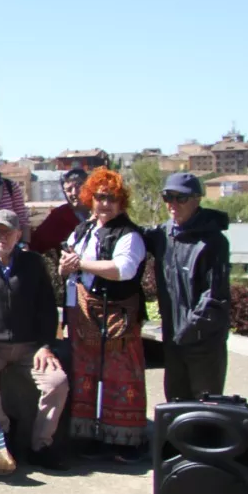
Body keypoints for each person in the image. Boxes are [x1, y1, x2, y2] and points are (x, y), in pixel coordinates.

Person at [0, 209, 71, 470]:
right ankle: (2, 431)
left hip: (30, 348)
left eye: (7, 232)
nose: (2, 236)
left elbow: (47, 308)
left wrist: (45, 346)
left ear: (19, 235)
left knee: (58, 382)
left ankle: (41, 445)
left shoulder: (34, 263)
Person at [59, 169, 149, 461]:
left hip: (118, 319)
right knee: (84, 376)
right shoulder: (82, 230)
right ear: (91, 198)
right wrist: (65, 266)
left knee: (121, 376)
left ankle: (124, 442)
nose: (105, 204)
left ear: (122, 202)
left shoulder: (130, 235)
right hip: (81, 315)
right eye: (100, 197)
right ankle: (86, 437)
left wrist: (81, 264)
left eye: (112, 198)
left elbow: (123, 269)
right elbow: (66, 262)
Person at [145, 172, 231, 402]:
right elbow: (130, 238)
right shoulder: (163, 234)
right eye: (168, 197)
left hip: (204, 344)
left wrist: (188, 331)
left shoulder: (213, 242)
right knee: (176, 407)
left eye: (180, 198)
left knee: (206, 408)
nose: (173, 204)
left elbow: (214, 297)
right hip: (173, 341)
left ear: (197, 199)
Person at [30, 167, 89, 254]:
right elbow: (36, 242)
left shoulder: (101, 212)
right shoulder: (58, 215)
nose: (74, 193)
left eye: (78, 187)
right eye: (69, 189)